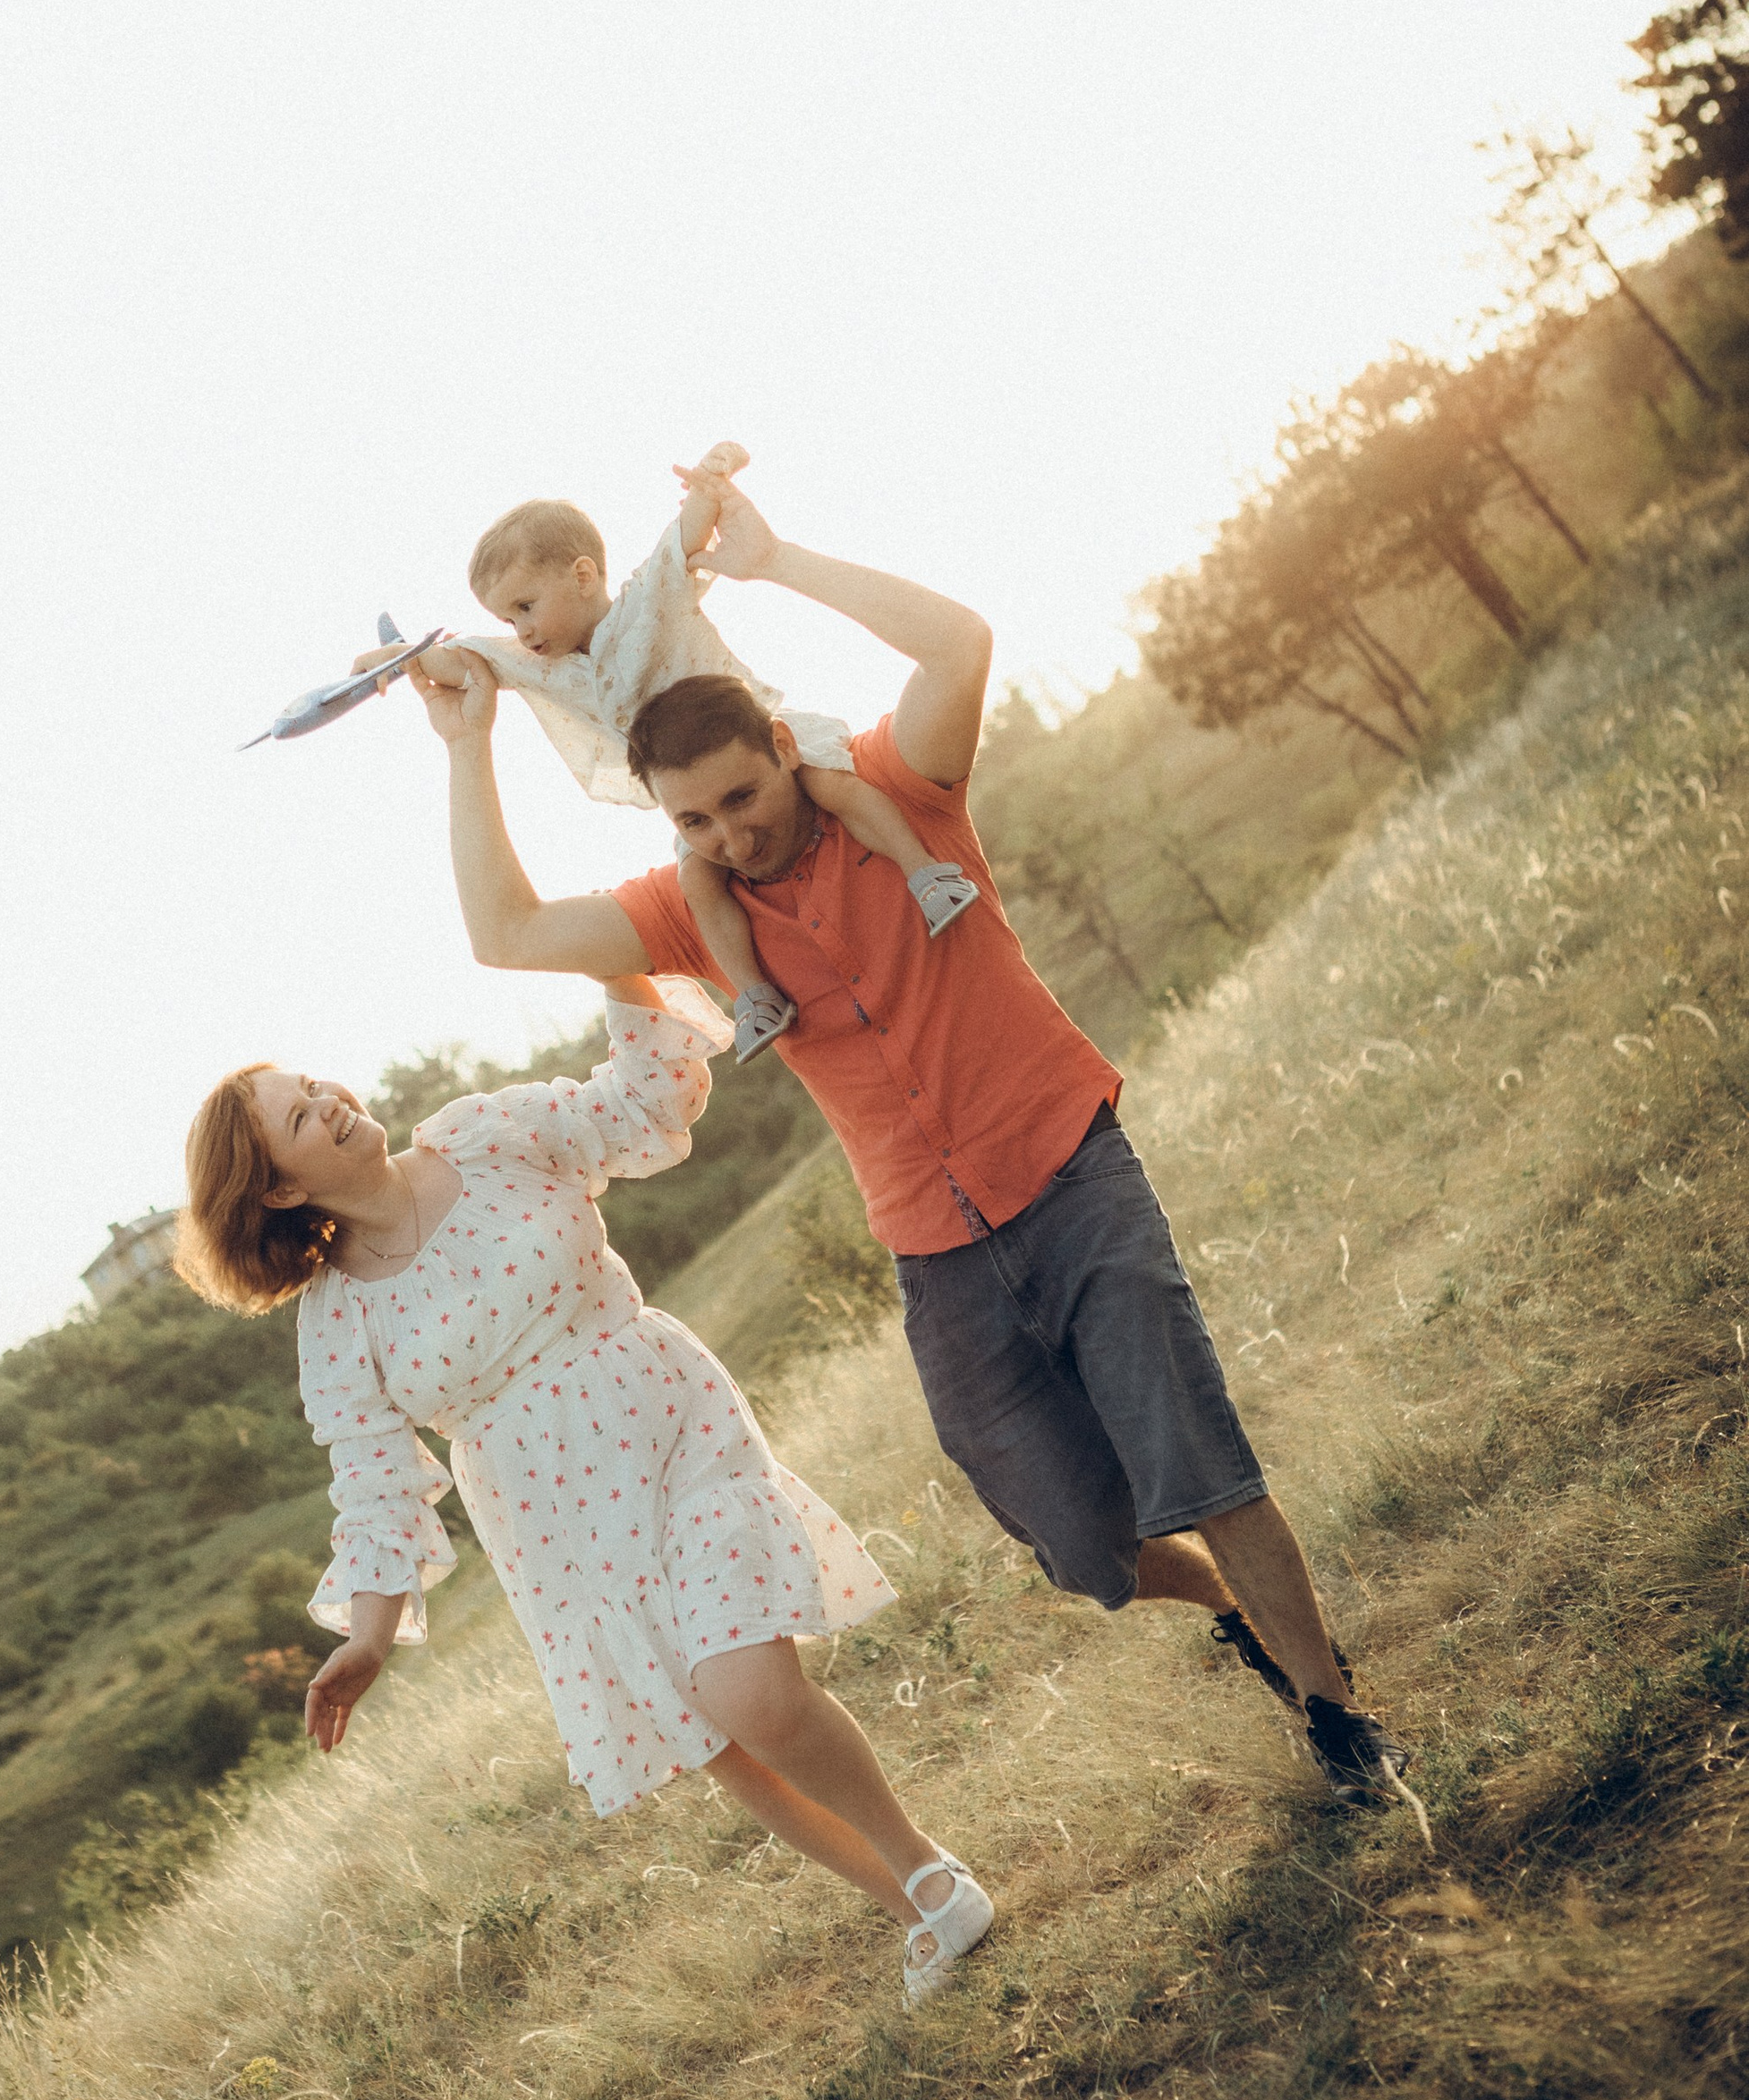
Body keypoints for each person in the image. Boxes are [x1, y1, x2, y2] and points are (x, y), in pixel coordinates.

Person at [403, 470, 1409, 1808]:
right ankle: (1241, 1615)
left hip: (1071, 1177)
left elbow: (961, 644)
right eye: (694, 821)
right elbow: (507, 936)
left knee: (1202, 1470)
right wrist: (468, 741)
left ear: (778, 746)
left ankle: (1339, 1715)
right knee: (1084, 1549)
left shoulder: (899, 793)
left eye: (743, 800)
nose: (730, 834)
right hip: (938, 1258)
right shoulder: (689, 904)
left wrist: (771, 558)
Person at [173, 970, 998, 2009]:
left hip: (661, 1421)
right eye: (302, 1115)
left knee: (749, 1692)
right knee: (719, 1742)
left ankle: (923, 1865)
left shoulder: (486, 1136)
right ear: (282, 1189)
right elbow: (374, 1484)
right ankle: (925, 1907)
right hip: (554, 1534)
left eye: (315, 1083)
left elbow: (635, 1108)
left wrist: (624, 969)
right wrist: (370, 1637)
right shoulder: (336, 1324)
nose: (332, 1099)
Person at [376, 441, 977, 1063]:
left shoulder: (647, 601)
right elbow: (464, 661)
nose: (521, 631)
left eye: (526, 607)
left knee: (833, 784)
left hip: (750, 736)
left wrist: (712, 480)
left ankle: (925, 872)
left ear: (583, 576)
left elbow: (685, 538)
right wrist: (392, 667)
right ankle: (755, 995)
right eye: (509, 620)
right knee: (699, 875)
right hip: (692, 785)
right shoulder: (542, 666)